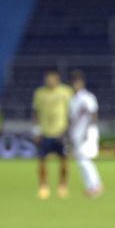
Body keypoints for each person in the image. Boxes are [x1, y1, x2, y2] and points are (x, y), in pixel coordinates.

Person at [32, 70, 74, 199]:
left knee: (64, 161)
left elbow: (71, 112)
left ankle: (62, 186)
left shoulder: (66, 92)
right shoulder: (40, 93)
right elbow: (36, 113)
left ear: (57, 79)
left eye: (52, 79)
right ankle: (43, 186)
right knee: (42, 161)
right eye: (47, 79)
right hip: (45, 132)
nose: (49, 81)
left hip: (60, 132)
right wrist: (36, 130)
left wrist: (68, 130)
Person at [67, 70, 104, 198]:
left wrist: (88, 132)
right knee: (80, 160)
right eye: (73, 83)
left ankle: (96, 185)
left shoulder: (87, 97)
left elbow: (93, 115)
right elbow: (71, 119)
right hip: (77, 133)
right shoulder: (73, 100)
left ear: (81, 83)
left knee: (84, 159)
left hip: (87, 133)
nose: (74, 85)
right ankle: (91, 186)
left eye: (76, 82)